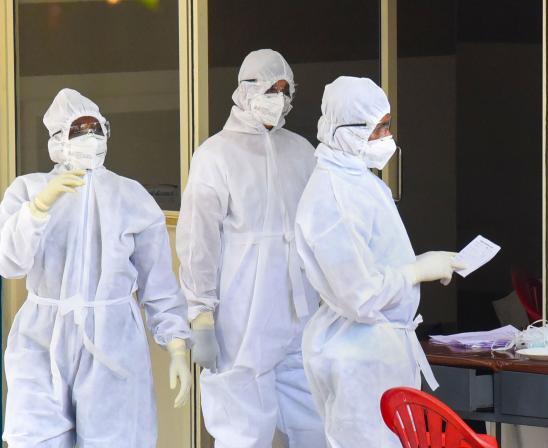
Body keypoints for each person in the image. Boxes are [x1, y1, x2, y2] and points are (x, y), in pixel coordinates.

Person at [0, 88, 191, 448]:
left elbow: (159, 285)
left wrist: (177, 345)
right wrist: (39, 208)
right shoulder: (28, 190)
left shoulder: (131, 197)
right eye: (78, 129)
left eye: (96, 129)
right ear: (57, 140)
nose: (90, 137)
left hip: (112, 346)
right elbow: (8, 262)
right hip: (42, 344)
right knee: (35, 439)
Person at [295, 76, 464, 447]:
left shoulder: (360, 181)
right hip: (357, 356)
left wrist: (421, 266)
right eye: (379, 128)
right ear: (345, 130)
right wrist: (416, 270)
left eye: (388, 125)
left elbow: (375, 262)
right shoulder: (332, 197)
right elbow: (359, 293)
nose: (387, 136)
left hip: (377, 349)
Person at [176, 49, 324, 447]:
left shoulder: (302, 152)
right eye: (268, 89)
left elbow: (320, 228)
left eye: (284, 89)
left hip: (300, 310)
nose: (277, 98)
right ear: (244, 90)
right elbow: (198, 239)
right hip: (244, 314)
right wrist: (200, 313)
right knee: (243, 431)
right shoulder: (216, 155)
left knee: (314, 422)